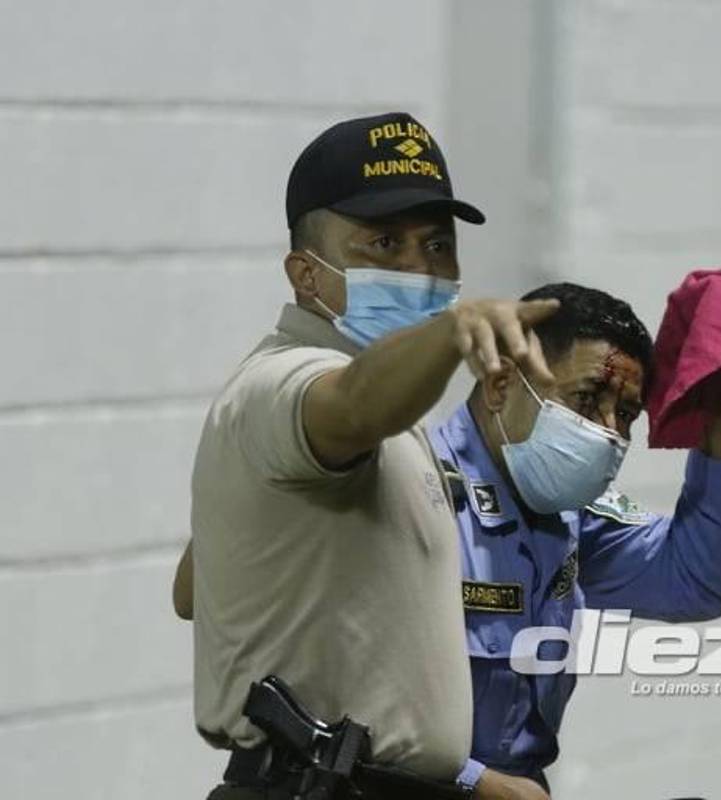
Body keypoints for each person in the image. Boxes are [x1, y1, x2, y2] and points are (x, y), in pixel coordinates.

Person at [188, 110, 560, 800]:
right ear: (306, 274)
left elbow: (201, 584)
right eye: (384, 243)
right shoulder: (284, 385)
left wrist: (476, 784)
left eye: (438, 245)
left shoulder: (394, 418)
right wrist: (451, 333)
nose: (421, 269)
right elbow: (357, 403)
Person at [432, 281, 721, 793]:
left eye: (626, 415)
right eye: (587, 399)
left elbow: (703, 581)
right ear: (501, 383)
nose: (609, 430)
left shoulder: (569, 516)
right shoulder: (416, 494)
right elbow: (344, 694)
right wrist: (474, 784)